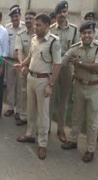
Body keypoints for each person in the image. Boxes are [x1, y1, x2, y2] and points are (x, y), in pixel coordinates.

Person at [15, 13, 61, 160]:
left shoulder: (54, 42)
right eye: (35, 24)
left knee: (43, 114)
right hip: (31, 78)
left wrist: (50, 85)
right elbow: (30, 56)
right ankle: (29, 134)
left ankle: (42, 144)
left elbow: (57, 65)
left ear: (47, 26)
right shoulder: (34, 39)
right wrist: (22, 64)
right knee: (31, 110)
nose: (35, 27)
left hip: (43, 82)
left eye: (38, 25)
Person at [61, 21, 98, 163]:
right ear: (80, 34)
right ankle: (73, 140)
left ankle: (90, 149)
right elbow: (62, 61)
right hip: (79, 86)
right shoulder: (75, 48)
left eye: (89, 33)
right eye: (84, 33)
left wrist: (79, 63)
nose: (87, 35)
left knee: (92, 120)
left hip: (94, 88)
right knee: (76, 115)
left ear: (93, 34)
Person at [50, 0, 79, 143]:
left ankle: (61, 129)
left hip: (67, 69)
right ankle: (47, 127)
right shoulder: (50, 29)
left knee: (64, 100)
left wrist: (64, 63)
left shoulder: (74, 30)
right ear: (56, 14)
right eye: (60, 12)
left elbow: (75, 51)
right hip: (53, 69)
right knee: (50, 98)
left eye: (65, 12)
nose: (63, 15)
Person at [14, 10, 36, 126]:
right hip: (24, 67)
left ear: (35, 19)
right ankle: (23, 116)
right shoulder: (20, 34)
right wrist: (22, 65)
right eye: (26, 18)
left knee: (35, 95)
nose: (28, 21)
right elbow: (19, 51)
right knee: (23, 92)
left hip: (37, 69)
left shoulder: (40, 34)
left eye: (30, 18)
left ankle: (33, 118)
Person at [4, 5, 25, 119]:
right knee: (10, 85)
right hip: (10, 61)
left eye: (16, 16)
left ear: (19, 16)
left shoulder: (25, 27)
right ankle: (10, 107)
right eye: (12, 17)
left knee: (20, 87)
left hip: (21, 62)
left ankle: (19, 110)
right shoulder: (7, 27)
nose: (14, 19)